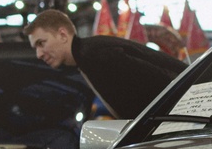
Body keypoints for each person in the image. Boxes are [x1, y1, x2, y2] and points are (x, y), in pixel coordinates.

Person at [24, 9, 188, 118]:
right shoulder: (88, 55)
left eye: (41, 43)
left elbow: (161, 86)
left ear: (62, 35)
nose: (38, 54)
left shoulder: (97, 56)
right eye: (35, 48)